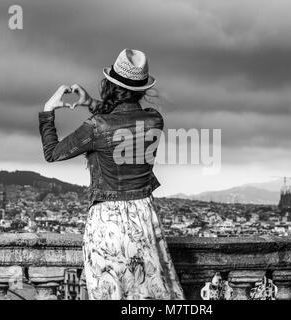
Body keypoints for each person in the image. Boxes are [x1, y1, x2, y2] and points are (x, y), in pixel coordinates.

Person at [39, 49, 185, 300]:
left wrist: (47, 111)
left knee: (112, 293)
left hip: (108, 223)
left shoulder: (97, 127)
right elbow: (122, 119)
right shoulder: (154, 121)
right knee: (146, 294)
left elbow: (53, 153)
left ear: (109, 84)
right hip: (144, 217)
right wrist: (90, 103)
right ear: (141, 89)